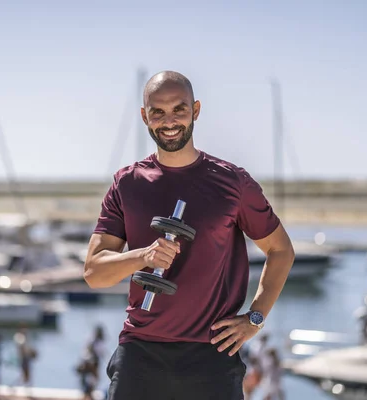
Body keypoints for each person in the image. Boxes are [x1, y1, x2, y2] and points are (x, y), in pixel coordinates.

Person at [83, 70, 295, 399]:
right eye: (158, 111)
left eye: (179, 109)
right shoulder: (127, 184)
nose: (169, 121)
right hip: (140, 352)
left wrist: (254, 318)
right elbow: (94, 273)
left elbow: (281, 250)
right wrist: (142, 256)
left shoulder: (233, 183)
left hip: (211, 356)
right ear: (145, 116)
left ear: (195, 110)